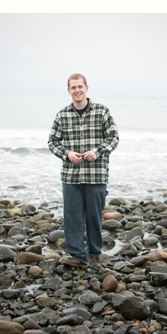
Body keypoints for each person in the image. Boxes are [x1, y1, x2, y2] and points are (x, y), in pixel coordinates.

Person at [48, 73, 119, 270]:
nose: (77, 90)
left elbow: (113, 137)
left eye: (80, 86)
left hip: (96, 174)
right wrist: (67, 153)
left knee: (94, 217)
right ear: (69, 91)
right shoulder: (62, 115)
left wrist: (97, 152)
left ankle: (94, 255)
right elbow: (52, 142)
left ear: (86, 88)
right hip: (70, 175)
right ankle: (78, 256)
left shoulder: (102, 111)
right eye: (73, 88)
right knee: (72, 216)